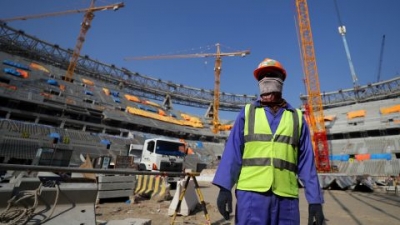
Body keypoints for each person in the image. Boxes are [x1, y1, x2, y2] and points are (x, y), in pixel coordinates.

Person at [212, 58, 325, 225]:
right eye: (262, 77)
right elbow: (232, 152)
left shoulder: (297, 118)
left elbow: (306, 162)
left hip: (286, 198)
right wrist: (224, 188)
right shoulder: (248, 113)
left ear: (282, 81)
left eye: (272, 75)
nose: (267, 80)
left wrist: (315, 200)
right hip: (251, 195)